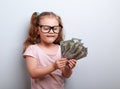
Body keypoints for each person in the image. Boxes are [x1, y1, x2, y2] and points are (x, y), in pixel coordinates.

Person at [23, 11, 77, 89]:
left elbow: (66, 75)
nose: (51, 31)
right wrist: (53, 66)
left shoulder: (62, 49)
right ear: (37, 30)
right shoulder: (32, 49)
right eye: (46, 28)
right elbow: (33, 74)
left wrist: (68, 68)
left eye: (55, 28)